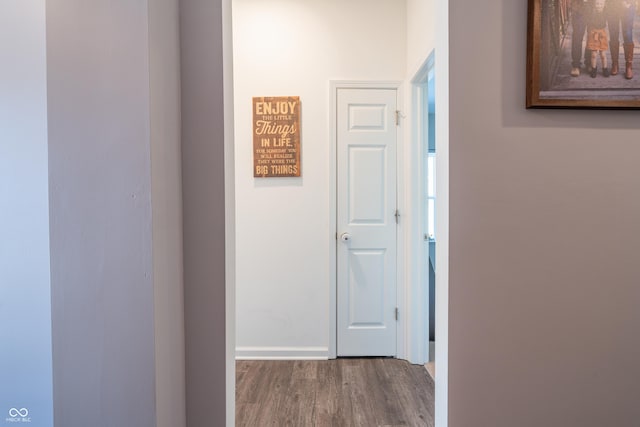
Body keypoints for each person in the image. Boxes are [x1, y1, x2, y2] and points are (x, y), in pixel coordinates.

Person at [607, 0, 636, 79]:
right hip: (611, 4)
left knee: (627, 32)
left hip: (628, 3)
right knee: (613, 32)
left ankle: (628, 66)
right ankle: (615, 64)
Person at [587, 0, 610, 77]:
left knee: (603, 54)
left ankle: (605, 69)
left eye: (601, 4)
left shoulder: (606, 12)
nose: (599, 6)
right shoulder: (592, 12)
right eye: (597, 4)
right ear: (594, 4)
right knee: (593, 54)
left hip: (602, 34)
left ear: (604, 4)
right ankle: (594, 69)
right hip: (594, 33)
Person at [571, 0, 593, 77]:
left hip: (592, 7)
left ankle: (589, 62)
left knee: (592, 36)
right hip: (578, 7)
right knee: (577, 37)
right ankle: (576, 65)